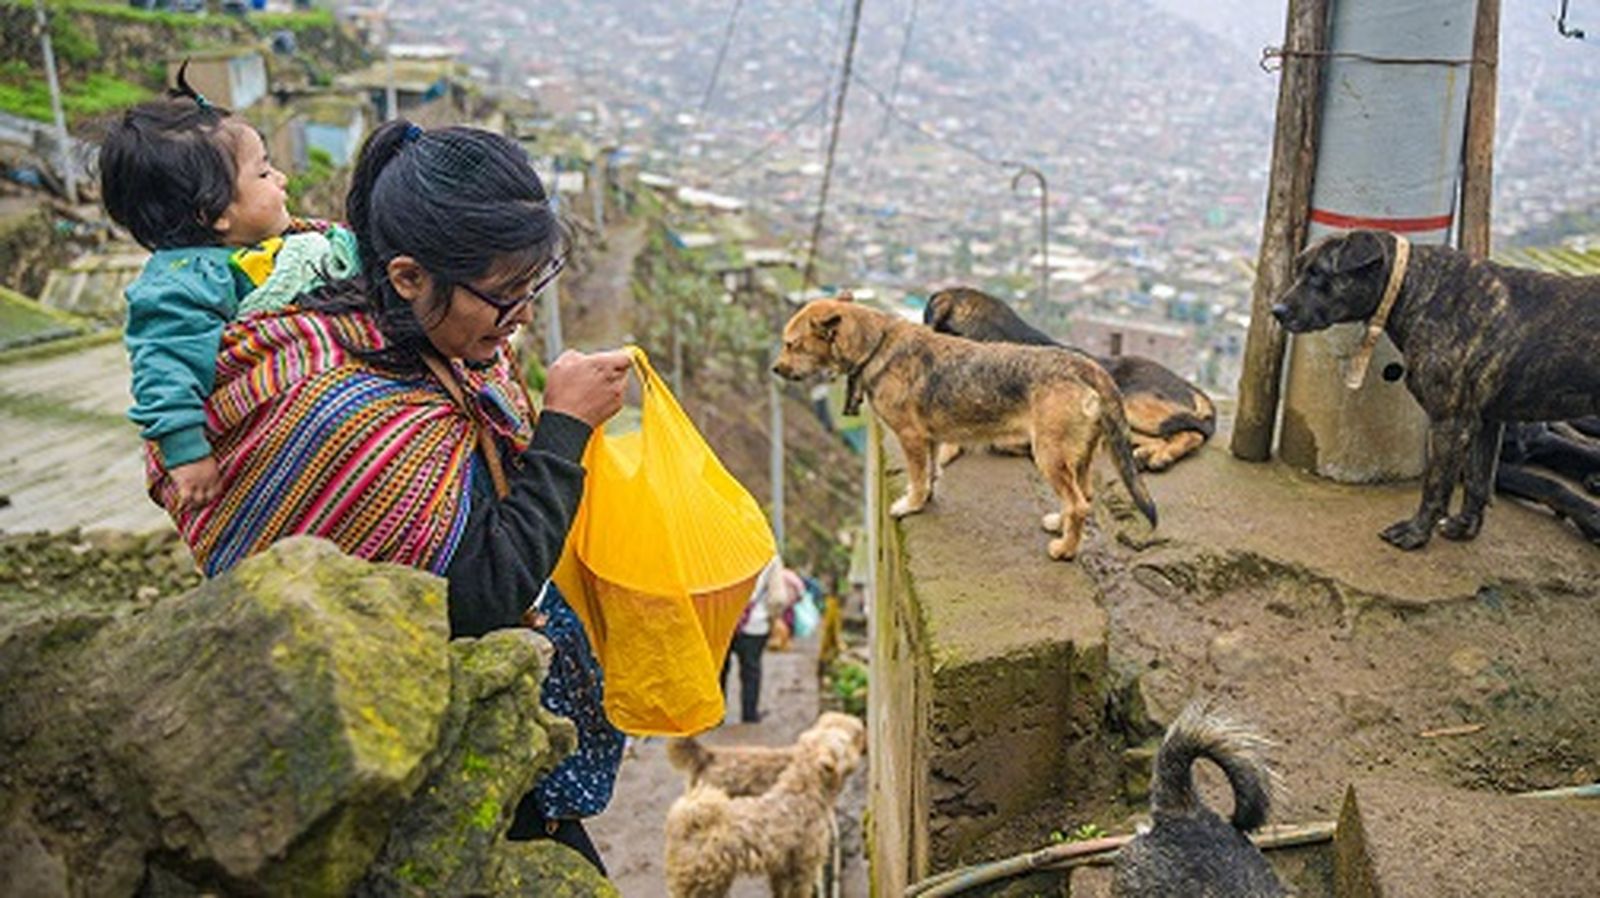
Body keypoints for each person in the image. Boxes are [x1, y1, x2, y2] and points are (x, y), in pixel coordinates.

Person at [144, 118, 633, 874]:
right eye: (504, 298)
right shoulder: (338, 407)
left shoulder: (427, 340)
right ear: (406, 275)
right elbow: (480, 599)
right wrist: (562, 432)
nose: (524, 317)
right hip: (393, 762)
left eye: (531, 290)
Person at [100, 64, 359, 511]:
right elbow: (165, 365)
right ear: (213, 213)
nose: (282, 180)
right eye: (263, 173)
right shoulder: (183, 282)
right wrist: (187, 452)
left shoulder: (284, 246)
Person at [720, 557, 794, 723]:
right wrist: (771, 615)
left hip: (724, 622)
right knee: (751, 671)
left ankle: (716, 717)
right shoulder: (768, 556)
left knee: (721, 670)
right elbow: (778, 598)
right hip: (755, 623)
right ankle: (749, 715)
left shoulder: (723, 549)